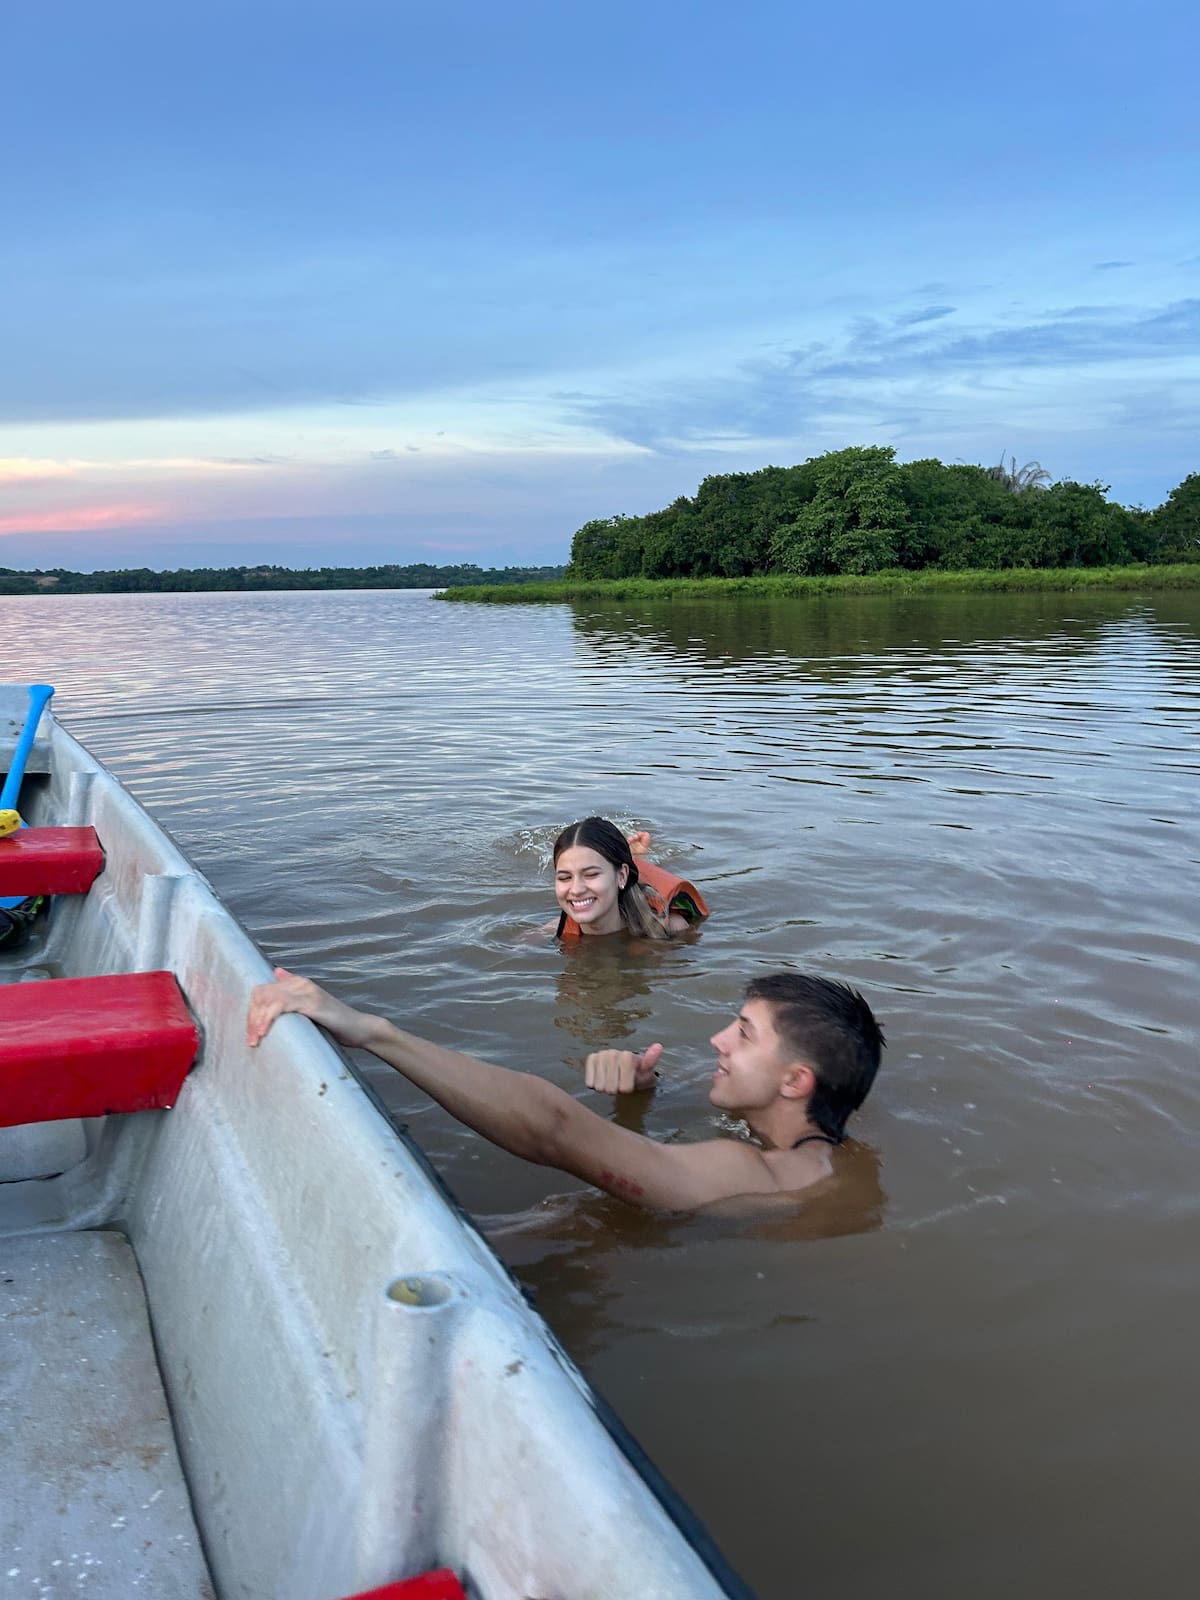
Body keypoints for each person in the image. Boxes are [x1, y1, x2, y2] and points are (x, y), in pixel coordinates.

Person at [246, 968, 884, 1214]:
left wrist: (374, 1032)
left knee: (570, 1220)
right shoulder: (832, 1150)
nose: (718, 1041)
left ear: (797, 1080)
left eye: (744, 1035)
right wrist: (639, 1093)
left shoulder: (761, 1174)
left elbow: (556, 1130)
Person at [543, 817, 709, 941]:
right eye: (565, 877)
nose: (576, 890)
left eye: (591, 875)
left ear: (622, 876)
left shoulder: (672, 928)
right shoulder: (553, 930)